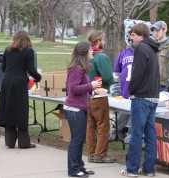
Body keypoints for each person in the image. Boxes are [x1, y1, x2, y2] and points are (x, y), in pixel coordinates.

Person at [121, 23, 160, 177]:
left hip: (142, 97)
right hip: (153, 97)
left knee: (136, 135)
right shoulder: (152, 48)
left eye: (134, 35)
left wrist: (131, 90)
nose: (131, 38)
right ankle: (149, 170)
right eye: (131, 35)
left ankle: (132, 169)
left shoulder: (141, 48)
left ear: (142, 35)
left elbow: (137, 74)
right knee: (150, 135)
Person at [0, 30, 42, 149]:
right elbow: (31, 70)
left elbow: (4, 68)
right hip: (20, 83)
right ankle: (23, 142)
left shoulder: (8, 50)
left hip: (7, 82)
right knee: (21, 111)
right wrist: (39, 77)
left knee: (9, 109)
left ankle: (10, 142)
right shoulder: (28, 51)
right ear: (27, 39)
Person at [64, 41, 101, 177]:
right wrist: (91, 86)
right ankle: (73, 170)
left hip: (80, 108)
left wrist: (91, 90)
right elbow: (72, 89)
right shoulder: (76, 69)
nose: (93, 52)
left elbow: (81, 88)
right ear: (85, 53)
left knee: (80, 139)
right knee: (77, 139)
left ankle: (80, 166)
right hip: (74, 109)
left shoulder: (81, 68)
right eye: (91, 50)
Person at [86, 30, 115, 163]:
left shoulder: (86, 55)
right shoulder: (101, 57)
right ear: (98, 41)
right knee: (103, 126)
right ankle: (100, 155)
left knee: (91, 126)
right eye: (103, 40)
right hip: (100, 95)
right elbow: (108, 77)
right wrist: (114, 79)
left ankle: (91, 153)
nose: (104, 42)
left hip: (88, 95)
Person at [151, 21, 169, 91]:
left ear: (165, 30)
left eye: (158, 30)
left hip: (164, 86)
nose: (155, 33)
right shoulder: (152, 46)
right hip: (151, 84)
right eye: (154, 30)